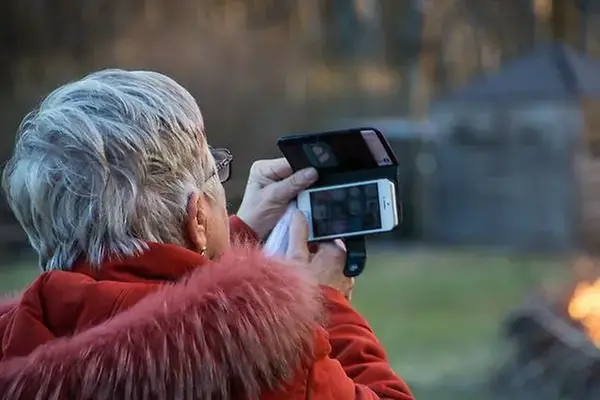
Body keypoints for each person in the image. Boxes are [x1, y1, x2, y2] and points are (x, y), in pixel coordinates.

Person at [0, 69, 413, 399]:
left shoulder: (14, 345)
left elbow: (145, 292)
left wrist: (242, 234)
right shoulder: (263, 359)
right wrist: (324, 304)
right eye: (215, 170)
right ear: (198, 217)